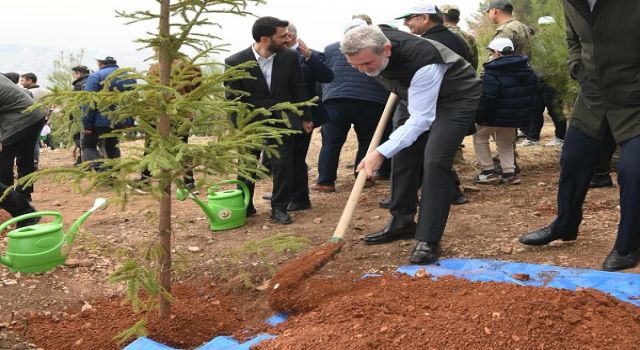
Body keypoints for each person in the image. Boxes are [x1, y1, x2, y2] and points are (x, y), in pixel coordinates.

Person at [519, 0, 640, 271]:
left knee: (633, 169)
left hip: (634, 99)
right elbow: (573, 39)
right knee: (573, 159)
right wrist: (578, 68)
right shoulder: (571, 2)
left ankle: (628, 244)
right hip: (594, 96)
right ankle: (565, 225)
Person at [344, 25, 481, 264]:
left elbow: (421, 120)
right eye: (355, 65)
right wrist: (389, 150)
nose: (362, 71)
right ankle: (401, 221)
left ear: (386, 49)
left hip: (456, 96)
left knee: (435, 160)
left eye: (367, 64)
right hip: (413, 94)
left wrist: (379, 153)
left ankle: (428, 238)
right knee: (404, 153)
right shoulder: (376, 37)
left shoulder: (423, 61)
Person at [376, 2, 471, 221]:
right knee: (432, 158)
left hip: (434, 107)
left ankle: (412, 213)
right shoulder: (456, 39)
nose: (406, 24)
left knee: (427, 158)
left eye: (410, 18)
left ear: (425, 18)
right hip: (437, 105)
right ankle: (407, 211)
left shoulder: (429, 45)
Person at [225, 16, 313, 225]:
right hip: (251, 123)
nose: (287, 38)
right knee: (248, 166)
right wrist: (239, 127)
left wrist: (305, 117)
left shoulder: (289, 57)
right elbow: (232, 99)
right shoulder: (235, 62)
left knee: (283, 164)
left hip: (283, 119)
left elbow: (298, 88)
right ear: (265, 39)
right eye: (282, 36)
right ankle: (245, 205)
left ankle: (279, 208)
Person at [312, 18, 390, 194]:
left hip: (335, 100)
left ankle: (325, 181)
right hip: (370, 101)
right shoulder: (374, 47)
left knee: (331, 142)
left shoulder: (332, 48)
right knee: (367, 140)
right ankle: (363, 177)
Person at [281, 22, 334, 211]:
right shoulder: (275, 55)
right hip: (281, 114)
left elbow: (327, 77)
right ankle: (283, 193)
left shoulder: (313, 55)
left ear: (289, 36)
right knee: (282, 157)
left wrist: (310, 57)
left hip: (305, 116)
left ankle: (300, 198)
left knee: (296, 157)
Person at [473, 38, 537, 185]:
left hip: (493, 116)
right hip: (515, 117)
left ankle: (487, 172)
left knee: (480, 138)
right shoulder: (526, 69)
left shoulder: (492, 71)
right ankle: (509, 173)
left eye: (491, 52)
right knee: (505, 143)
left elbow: (488, 97)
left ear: (496, 52)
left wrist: (479, 116)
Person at [82, 51, 135, 171]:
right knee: (112, 145)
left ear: (99, 63)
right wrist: (130, 120)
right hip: (121, 119)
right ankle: (115, 173)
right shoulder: (128, 76)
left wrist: (87, 124)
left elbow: (88, 102)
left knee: (88, 145)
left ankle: (103, 170)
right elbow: (133, 100)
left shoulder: (96, 76)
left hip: (99, 120)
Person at [519, 16, 567, 147]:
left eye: (548, 26)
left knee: (554, 110)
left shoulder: (558, 42)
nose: (545, 29)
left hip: (553, 80)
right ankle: (533, 138)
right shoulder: (537, 41)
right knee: (535, 109)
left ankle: (561, 137)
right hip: (537, 79)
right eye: (543, 26)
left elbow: (562, 63)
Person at [0, 74, 47, 203]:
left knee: (3, 158)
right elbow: (26, 92)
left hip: (20, 121)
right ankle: (24, 194)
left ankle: (6, 199)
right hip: (36, 115)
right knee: (25, 157)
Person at [440, 4, 479, 70]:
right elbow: (474, 62)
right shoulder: (469, 37)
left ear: (442, 17)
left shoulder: (438, 35)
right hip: (466, 76)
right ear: (458, 19)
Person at [71, 65, 91, 166]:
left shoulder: (79, 84)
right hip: (90, 114)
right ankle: (81, 159)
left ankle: (85, 161)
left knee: (79, 138)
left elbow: (75, 102)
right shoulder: (91, 80)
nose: (74, 76)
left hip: (80, 115)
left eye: (74, 74)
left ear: (79, 73)